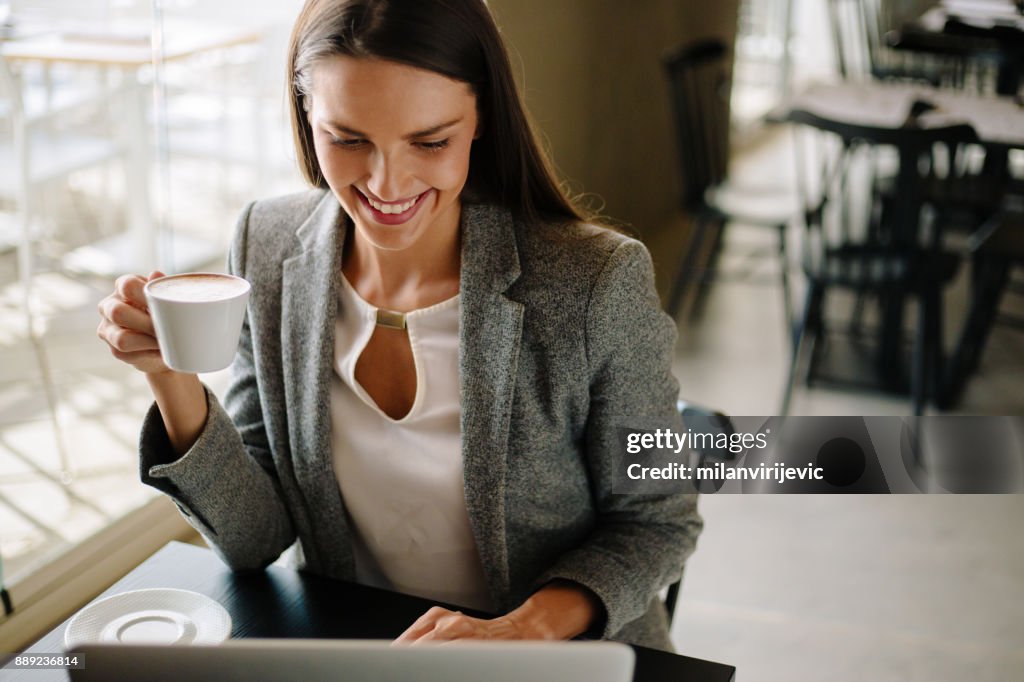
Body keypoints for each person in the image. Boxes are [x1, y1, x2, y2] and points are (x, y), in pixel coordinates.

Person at [96, 0, 701, 650]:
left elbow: (656, 523)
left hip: (553, 658)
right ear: (307, 116)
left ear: (482, 120)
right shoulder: (265, 246)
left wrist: (522, 630)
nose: (386, 183)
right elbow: (254, 539)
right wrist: (171, 378)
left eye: (430, 141)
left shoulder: (593, 282)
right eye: (348, 139)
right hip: (365, 652)